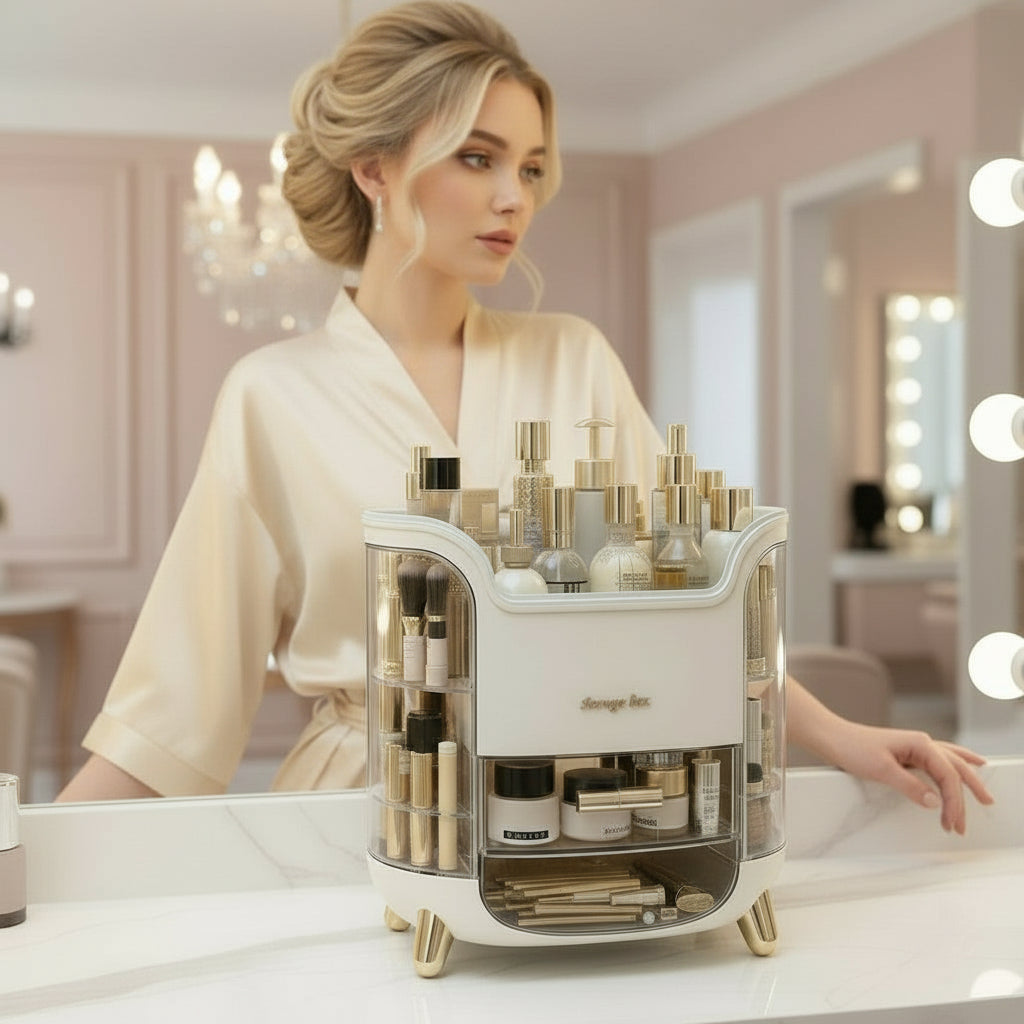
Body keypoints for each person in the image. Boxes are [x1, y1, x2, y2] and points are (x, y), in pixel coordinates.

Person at [58, 0, 993, 835]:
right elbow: (174, 709)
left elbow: (693, 605)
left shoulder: (574, 360)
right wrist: (38, 866)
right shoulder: (271, 397)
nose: (517, 197)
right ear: (375, 168)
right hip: (357, 818)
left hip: (577, 807)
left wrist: (837, 734)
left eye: (532, 167)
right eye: (479, 158)